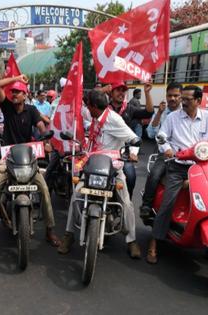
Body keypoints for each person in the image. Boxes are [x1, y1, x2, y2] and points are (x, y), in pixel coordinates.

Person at [146, 85, 208, 264]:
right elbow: (161, 135)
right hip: (178, 166)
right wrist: (167, 149)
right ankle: (154, 242)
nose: (182, 102)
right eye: (182, 99)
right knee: (168, 202)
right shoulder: (173, 118)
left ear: (198, 101)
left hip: (203, 166)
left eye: (187, 99)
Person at [0, 74, 60, 250]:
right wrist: (16, 78)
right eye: (13, 92)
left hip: (28, 158)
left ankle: (50, 229)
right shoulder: (6, 107)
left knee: (45, 190)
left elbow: (41, 127)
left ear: (25, 95)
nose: (14, 94)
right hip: (8, 157)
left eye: (18, 92)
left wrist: (46, 142)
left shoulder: (31, 110)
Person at [58, 89, 141, 258]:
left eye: (88, 106)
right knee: (76, 197)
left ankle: (131, 240)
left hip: (112, 169)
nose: (87, 110)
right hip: (92, 165)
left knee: (126, 202)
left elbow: (133, 138)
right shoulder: (96, 118)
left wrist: (132, 153)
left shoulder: (114, 119)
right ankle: (69, 235)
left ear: (94, 106)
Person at [140, 82, 183, 218]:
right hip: (165, 154)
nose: (173, 99)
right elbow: (151, 134)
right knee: (155, 174)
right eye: (170, 95)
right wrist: (159, 113)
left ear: (181, 97)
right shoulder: (163, 112)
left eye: (176, 95)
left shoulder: (187, 112)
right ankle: (146, 204)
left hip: (186, 156)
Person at [109, 81, 154, 198]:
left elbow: (149, 113)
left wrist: (147, 93)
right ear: (111, 92)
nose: (121, 93)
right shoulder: (104, 107)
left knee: (131, 176)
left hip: (123, 153)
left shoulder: (130, 109)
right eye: (118, 90)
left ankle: (125, 202)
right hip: (104, 150)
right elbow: (89, 100)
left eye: (123, 90)